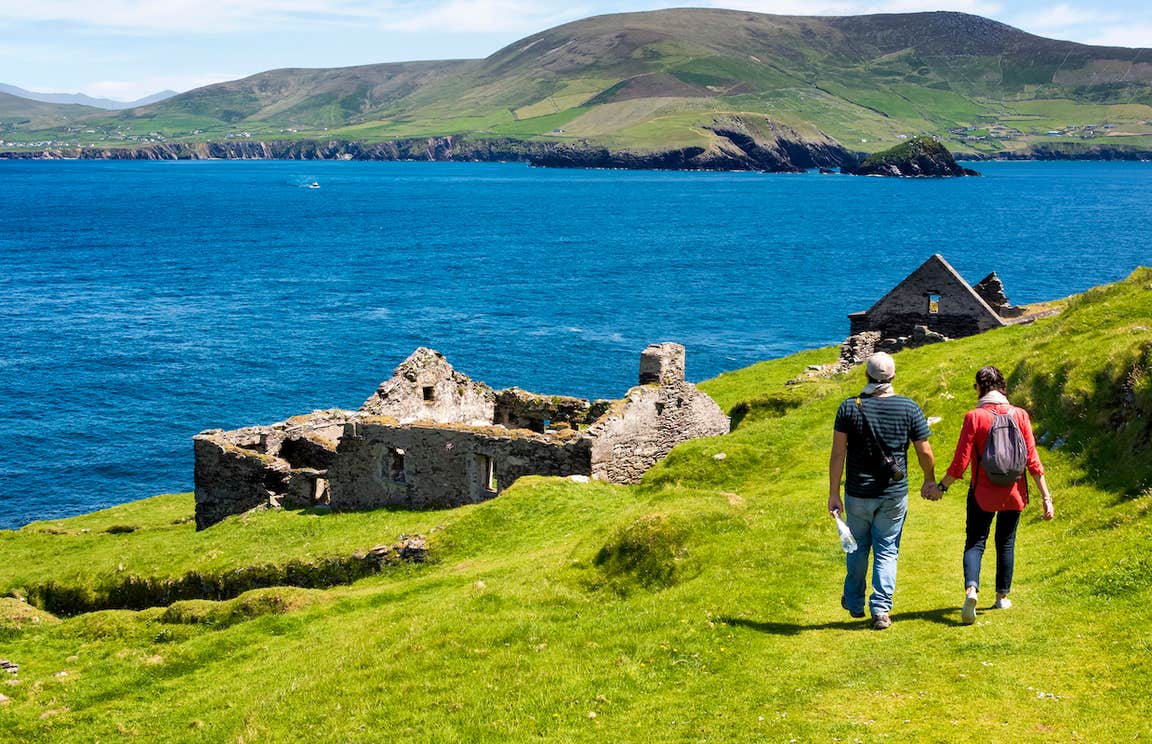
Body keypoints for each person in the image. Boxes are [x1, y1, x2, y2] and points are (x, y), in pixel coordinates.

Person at [933, 365, 1054, 625]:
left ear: (979, 387)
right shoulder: (1020, 415)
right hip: (1014, 493)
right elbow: (1032, 459)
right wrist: (1046, 497)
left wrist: (941, 487)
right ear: (1003, 386)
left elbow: (960, 463)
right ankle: (1002, 596)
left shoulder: (974, 417)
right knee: (1006, 542)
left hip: (982, 493)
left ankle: (971, 590)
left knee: (976, 541)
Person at [829, 352, 938, 630]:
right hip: (893, 493)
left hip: (857, 493)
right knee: (887, 550)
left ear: (866, 375)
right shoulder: (909, 407)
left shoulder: (849, 407)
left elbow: (838, 454)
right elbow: (924, 450)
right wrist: (929, 479)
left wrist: (834, 493)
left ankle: (854, 602)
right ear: (893, 377)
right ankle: (880, 609)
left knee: (857, 547)